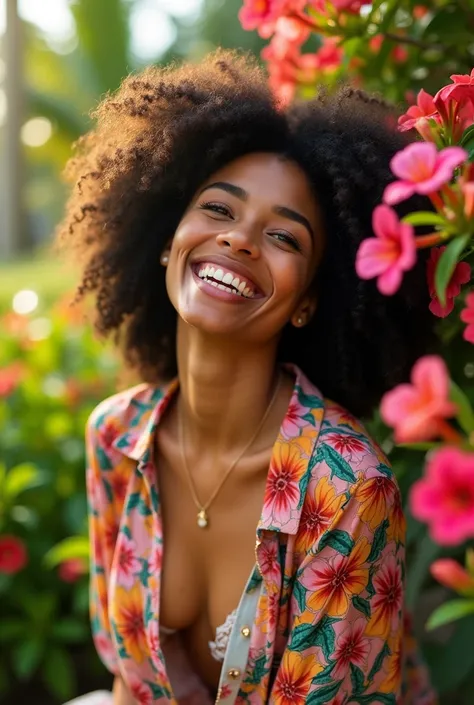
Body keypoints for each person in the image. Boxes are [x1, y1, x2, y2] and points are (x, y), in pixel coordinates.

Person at [57, 50, 437, 705]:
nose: (239, 240)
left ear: (311, 299)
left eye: (285, 238)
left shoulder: (344, 486)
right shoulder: (116, 438)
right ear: (167, 237)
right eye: (217, 209)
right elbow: (130, 680)